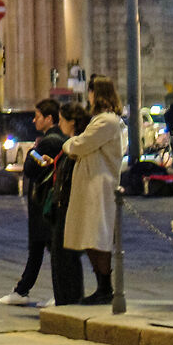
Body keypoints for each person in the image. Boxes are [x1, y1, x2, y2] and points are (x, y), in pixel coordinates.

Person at [60, 79, 125, 305]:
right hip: (90, 185)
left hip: (99, 187)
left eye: (90, 91)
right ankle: (101, 285)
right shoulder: (102, 120)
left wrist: (69, 144)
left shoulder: (107, 121)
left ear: (96, 94)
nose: (88, 96)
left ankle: (105, 287)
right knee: (89, 235)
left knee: (98, 236)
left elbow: (81, 145)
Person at [0, 97, 64, 308]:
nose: (34, 120)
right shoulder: (54, 139)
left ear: (49, 118)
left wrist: (31, 152)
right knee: (38, 248)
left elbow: (30, 168)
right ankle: (22, 290)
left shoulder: (49, 142)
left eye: (37, 116)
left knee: (50, 248)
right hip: (44, 201)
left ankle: (59, 294)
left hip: (44, 201)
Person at [46, 97, 93, 308]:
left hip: (68, 206)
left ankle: (69, 300)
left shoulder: (76, 145)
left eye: (62, 120)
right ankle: (66, 299)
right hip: (63, 205)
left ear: (71, 122)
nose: (59, 124)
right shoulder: (73, 145)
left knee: (64, 256)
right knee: (60, 256)